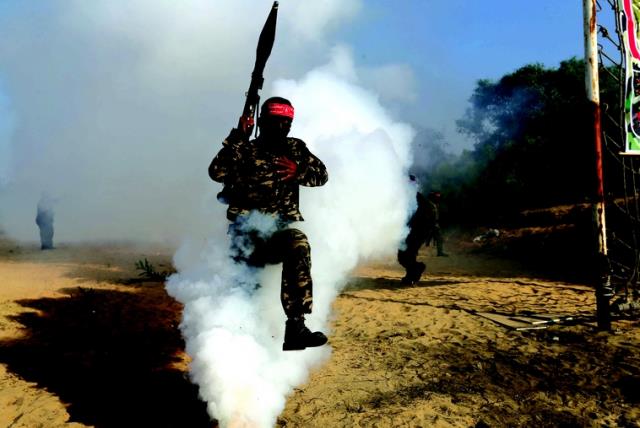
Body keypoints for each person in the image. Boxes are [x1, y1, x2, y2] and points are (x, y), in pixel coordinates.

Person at [208, 96, 329, 351]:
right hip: (245, 239)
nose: (283, 127)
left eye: (287, 122)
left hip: (277, 236)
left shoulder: (295, 149)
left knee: (298, 242)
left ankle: (296, 326)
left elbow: (322, 175)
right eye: (277, 121)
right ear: (262, 121)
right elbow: (216, 172)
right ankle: (233, 346)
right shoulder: (245, 150)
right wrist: (237, 137)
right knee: (242, 297)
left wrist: (299, 171)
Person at [425, 190, 448, 258]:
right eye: (436, 197)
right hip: (429, 224)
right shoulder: (428, 204)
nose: (438, 198)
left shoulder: (434, 204)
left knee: (439, 238)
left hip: (434, 224)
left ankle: (440, 252)